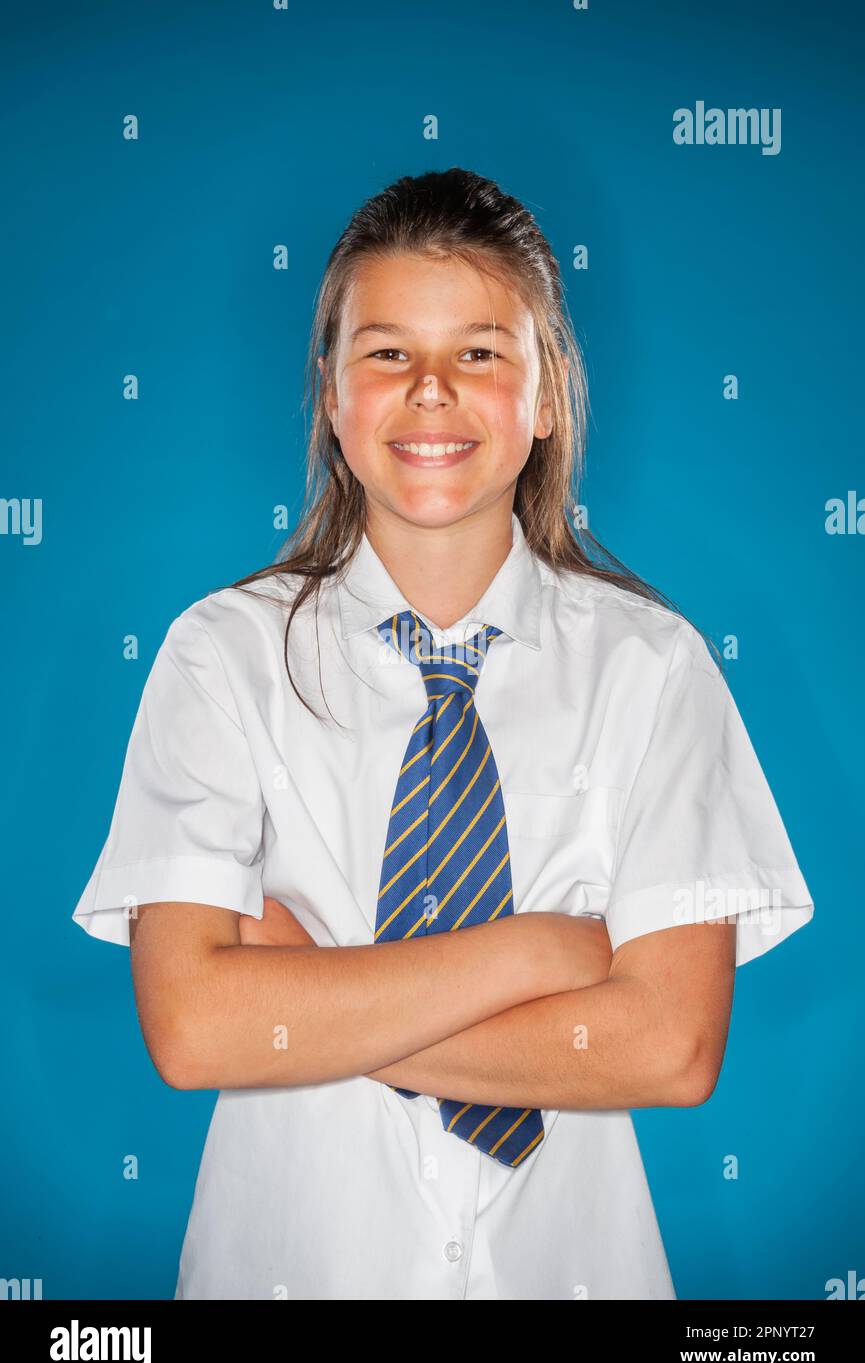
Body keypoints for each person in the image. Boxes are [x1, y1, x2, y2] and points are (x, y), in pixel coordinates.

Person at [72, 167, 814, 1300]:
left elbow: (667, 1049)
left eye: (478, 351)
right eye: (385, 353)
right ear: (330, 392)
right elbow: (192, 1030)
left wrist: (313, 992)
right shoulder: (218, 656)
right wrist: (536, 956)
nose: (429, 391)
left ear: (546, 392)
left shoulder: (654, 668)